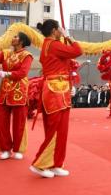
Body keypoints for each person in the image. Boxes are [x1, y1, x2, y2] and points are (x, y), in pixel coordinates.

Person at [30, 20, 82, 178]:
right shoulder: (53, 45)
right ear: (54, 31)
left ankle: (56, 163)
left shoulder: (49, 44)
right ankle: (40, 164)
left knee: (61, 130)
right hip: (55, 91)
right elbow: (77, 51)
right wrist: (70, 37)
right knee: (55, 129)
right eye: (60, 29)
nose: (62, 31)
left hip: (58, 89)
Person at [0, 32, 33, 160]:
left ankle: (18, 149)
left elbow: (23, 72)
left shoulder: (27, 55)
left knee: (19, 122)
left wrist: (6, 74)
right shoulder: (6, 53)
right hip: (5, 91)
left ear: (22, 41)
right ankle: (6, 148)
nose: (13, 38)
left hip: (19, 91)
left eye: (16, 37)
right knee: (1, 121)